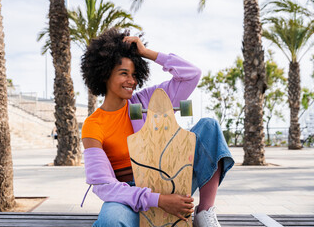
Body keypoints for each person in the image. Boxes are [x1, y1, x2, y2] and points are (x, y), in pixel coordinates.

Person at [80, 28, 234, 227]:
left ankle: (204, 212)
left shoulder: (144, 101)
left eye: (134, 74)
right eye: (123, 73)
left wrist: (146, 53)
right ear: (104, 75)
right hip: (128, 194)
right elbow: (103, 185)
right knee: (111, 221)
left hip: (168, 178)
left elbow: (191, 75)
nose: (132, 81)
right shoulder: (93, 124)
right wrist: (159, 200)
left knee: (209, 127)